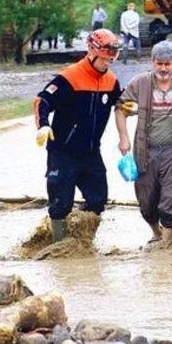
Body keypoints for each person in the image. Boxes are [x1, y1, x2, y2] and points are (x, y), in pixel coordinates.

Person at [33, 29, 123, 242]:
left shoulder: (111, 81)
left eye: (111, 60)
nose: (107, 64)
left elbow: (120, 101)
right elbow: (42, 101)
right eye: (103, 60)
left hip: (91, 153)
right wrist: (43, 125)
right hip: (63, 151)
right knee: (60, 204)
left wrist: (127, 105)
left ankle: (82, 242)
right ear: (91, 53)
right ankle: (58, 246)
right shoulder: (69, 77)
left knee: (98, 199)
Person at [115, 41, 172, 243]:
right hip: (145, 151)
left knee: (170, 199)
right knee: (146, 202)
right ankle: (156, 233)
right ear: (152, 62)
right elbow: (120, 109)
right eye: (159, 64)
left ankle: (166, 244)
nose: (163, 69)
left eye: (167, 64)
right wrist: (123, 138)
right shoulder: (141, 83)